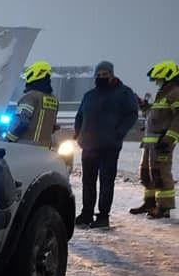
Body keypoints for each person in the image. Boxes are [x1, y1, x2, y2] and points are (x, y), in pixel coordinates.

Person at [72, 61, 138, 228]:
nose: (101, 77)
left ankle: (103, 216)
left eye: (105, 74)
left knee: (106, 182)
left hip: (109, 145)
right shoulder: (89, 95)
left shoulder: (123, 93)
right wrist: (78, 133)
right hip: (88, 145)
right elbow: (80, 116)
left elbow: (132, 114)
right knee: (88, 181)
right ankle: (86, 213)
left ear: (111, 75)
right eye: (99, 74)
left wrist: (118, 133)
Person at [130, 60, 179, 219]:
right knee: (147, 173)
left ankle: (164, 208)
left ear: (168, 76)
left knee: (161, 173)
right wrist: (144, 107)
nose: (157, 83)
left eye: (159, 79)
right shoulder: (163, 93)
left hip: (162, 143)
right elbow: (155, 117)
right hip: (151, 144)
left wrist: (169, 139)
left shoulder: (175, 92)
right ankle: (149, 203)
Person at [4, 61, 58, 146]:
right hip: (45, 148)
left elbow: (22, 122)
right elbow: (53, 127)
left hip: (25, 147)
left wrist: (8, 139)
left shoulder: (30, 97)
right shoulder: (54, 100)